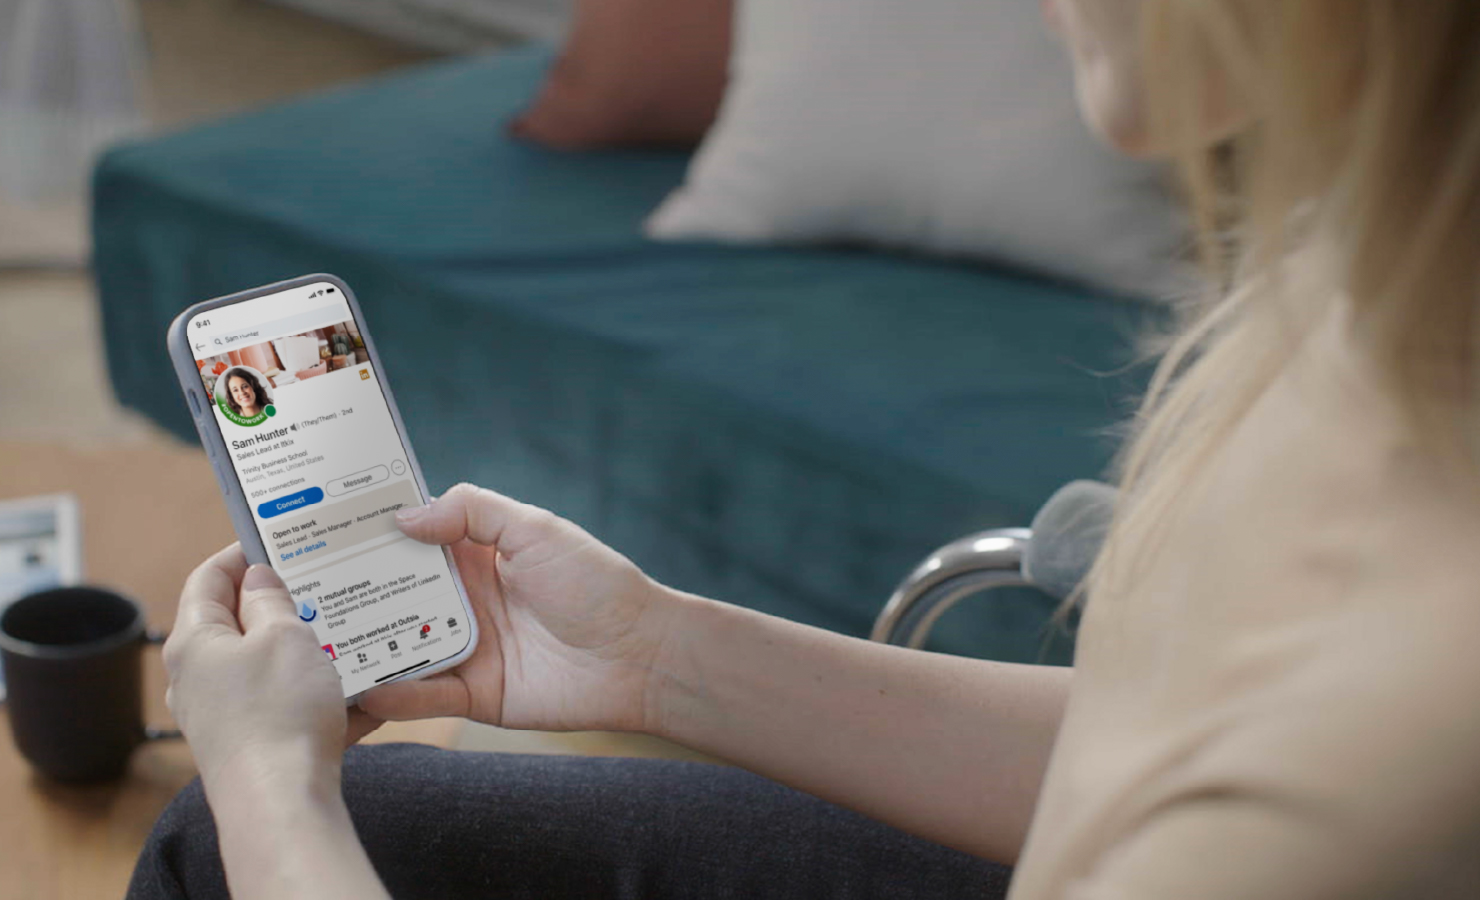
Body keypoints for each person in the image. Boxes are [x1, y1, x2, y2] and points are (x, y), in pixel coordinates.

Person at [132, 1, 1480, 898]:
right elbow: (1154, 742)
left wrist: (271, 790)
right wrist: (656, 658)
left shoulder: (1365, 792)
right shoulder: (1375, 292)